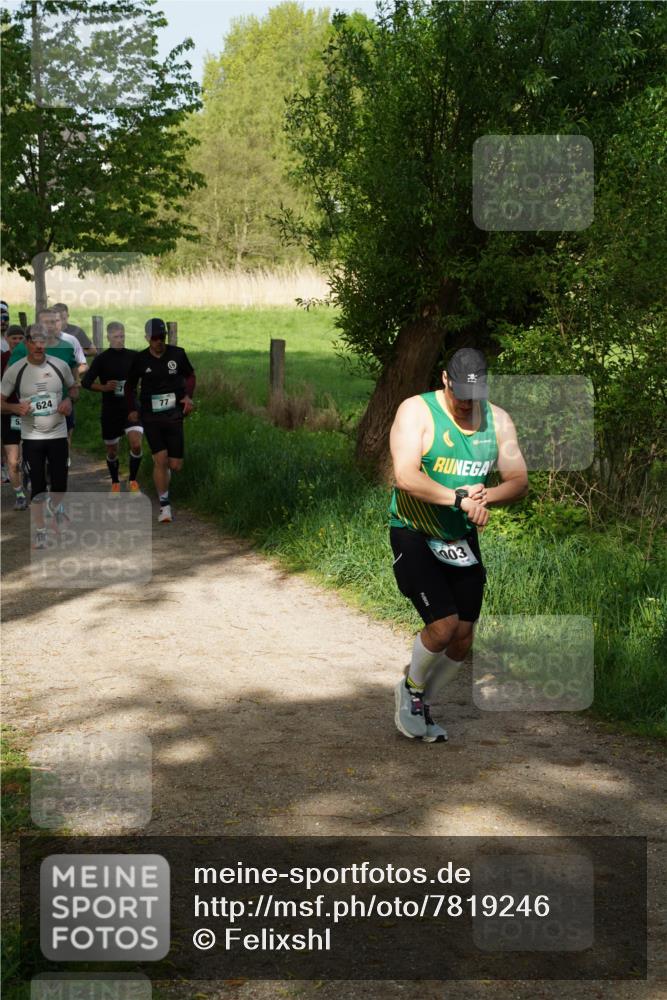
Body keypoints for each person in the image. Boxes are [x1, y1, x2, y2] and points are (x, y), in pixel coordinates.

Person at [389, 347, 528, 742]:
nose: (467, 404)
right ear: (445, 380)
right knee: (443, 625)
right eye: (460, 396)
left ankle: (422, 701)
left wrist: (487, 496)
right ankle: (411, 690)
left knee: (464, 637)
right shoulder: (416, 412)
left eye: (475, 397)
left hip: (459, 537)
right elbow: (405, 476)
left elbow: (519, 482)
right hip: (414, 529)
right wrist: (459, 500)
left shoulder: (498, 421)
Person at [1, 324, 76, 548]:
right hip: (32, 437)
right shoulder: (16, 370)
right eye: (34, 341)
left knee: (60, 485)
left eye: (43, 341)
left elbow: (74, 388)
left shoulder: (59, 366)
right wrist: (15, 408)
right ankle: (41, 531)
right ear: (27, 343)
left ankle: (55, 507)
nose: (39, 346)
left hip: (58, 435)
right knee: (38, 487)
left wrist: (68, 400)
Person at [125, 318, 195, 523]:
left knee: (175, 465)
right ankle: (165, 506)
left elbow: (190, 376)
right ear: (147, 338)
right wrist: (132, 408)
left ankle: (163, 475)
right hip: (151, 416)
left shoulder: (177, 354)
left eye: (161, 337)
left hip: (174, 414)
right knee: (161, 459)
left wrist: (188, 396)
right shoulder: (140, 359)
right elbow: (129, 386)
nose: (159, 342)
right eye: (155, 338)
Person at [81, 322, 143, 493]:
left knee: (136, 444)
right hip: (110, 410)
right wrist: (104, 387)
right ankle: (115, 481)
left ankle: (132, 480)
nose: (119, 340)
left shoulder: (134, 356)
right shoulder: (101, 359)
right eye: (116, 337)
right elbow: (86, 382)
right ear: (108, 337)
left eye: (122, 336)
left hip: (131, 407)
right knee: (112, 451)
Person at [1, 325, 28, 508]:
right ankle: (19, 494)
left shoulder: (31, 359)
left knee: (32, 456)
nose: (17, 341)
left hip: (30, 414)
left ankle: (32, 478)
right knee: (13, 460)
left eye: (20, 338)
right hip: (9, 413)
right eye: (14, 338)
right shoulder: (2, 359)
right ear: (7, 339)